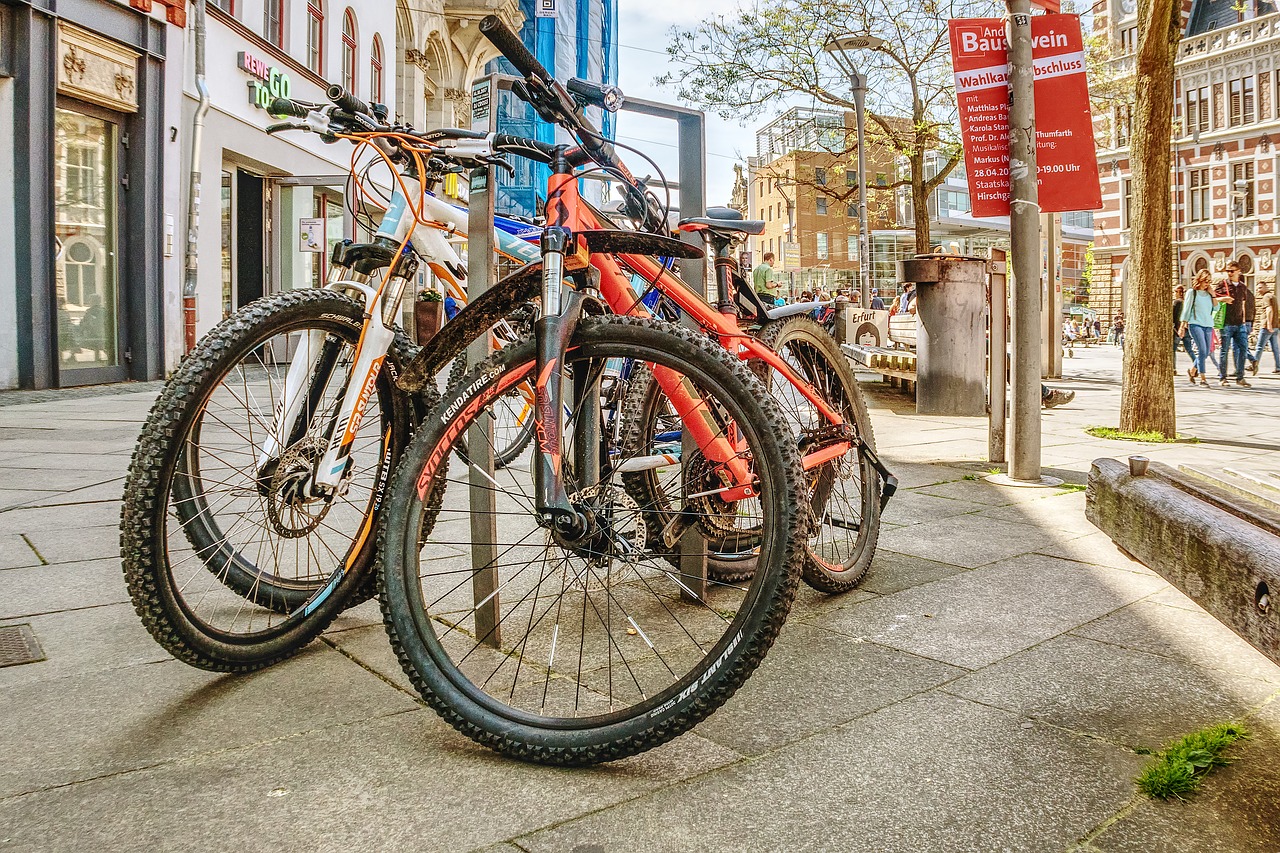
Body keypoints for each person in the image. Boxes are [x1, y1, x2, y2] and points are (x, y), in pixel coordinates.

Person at [1214, 262, 1254, 387]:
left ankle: (1240, 377)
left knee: (1243, 349)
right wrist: (1224, 299)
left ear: (1238, 271)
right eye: (1228, 271)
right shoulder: (1223, 284)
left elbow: (1243, 303)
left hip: (1239, 323)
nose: (1229, 273)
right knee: (1224, 350)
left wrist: (1245, 320)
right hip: (1226, 323)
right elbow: (1213, 299)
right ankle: (1222, 377)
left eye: (1232, 271)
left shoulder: (1242, 286)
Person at [1179, 269, 1216, 386]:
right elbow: (1186, 309)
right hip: (1195, 324)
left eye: (1209, 282)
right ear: (1199, 280)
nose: (1207, 284)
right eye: (1205, 281)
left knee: (1206, 352)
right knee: (1202, 350)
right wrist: (1182, 326)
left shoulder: (1209, 294)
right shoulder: (1192, 292)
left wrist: (1213, 294)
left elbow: (1216, 308)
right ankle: (1203, 378)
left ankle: (1192, 370)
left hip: (1208, 325)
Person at [1250, 282, 1279, 374]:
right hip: (1275, 326)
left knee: (1259, 346)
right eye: (1257, 288)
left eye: (1260, 288)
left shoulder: (1266, 297)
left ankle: (1254, 364)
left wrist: (1269, 324)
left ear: (1266, 287)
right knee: (1275, 348)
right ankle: (1278, 367)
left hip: (1267, 326)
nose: (1258, 290)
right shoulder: (1273, 296)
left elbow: (1269, 309)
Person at [1172, 284, 1196, 362]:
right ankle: (1197, 365)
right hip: (1187, 329)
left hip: (1177, 329)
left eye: (1175, 292)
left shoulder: (1176, 302)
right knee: (1189, 350)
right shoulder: (1186, 302)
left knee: (1172, 350)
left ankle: (1173, 368)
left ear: (1179, 292)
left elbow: (1173, 315)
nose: (1174, 293)